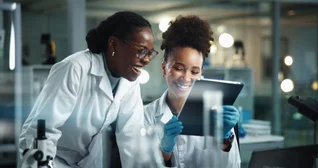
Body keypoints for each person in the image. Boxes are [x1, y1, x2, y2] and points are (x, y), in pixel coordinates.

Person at [19, 11, 158, 168]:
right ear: (113, 44)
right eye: (141, 50)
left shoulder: (129, 82)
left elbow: (132, 138)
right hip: (53, 160)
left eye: (150, 53)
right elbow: (42, 130)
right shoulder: (75, 68)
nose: (146, 60)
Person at [144, 15, 241, 167]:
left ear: (201, 73)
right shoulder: (146, 116)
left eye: (194, 72)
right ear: (164, 68)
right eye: (179, 68)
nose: (186, 78)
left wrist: (225, 137)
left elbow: (233, 166)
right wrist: (165, 152)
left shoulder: (215, 114)